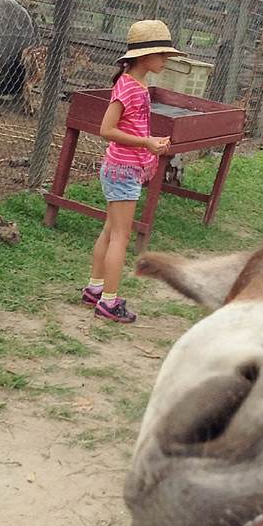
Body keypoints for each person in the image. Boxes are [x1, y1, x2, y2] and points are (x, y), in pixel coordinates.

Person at [82, 19, 181, 323]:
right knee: (121, 237)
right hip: (123, 169)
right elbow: (106, 129)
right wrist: (146, 142)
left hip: (120, 167)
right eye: (162, 54)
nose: (166, 60)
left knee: (111, 230)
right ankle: (109, 302)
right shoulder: (131, 89)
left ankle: (95, 289)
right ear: (144, 56)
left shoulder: (133, 84)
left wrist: (149, 144)